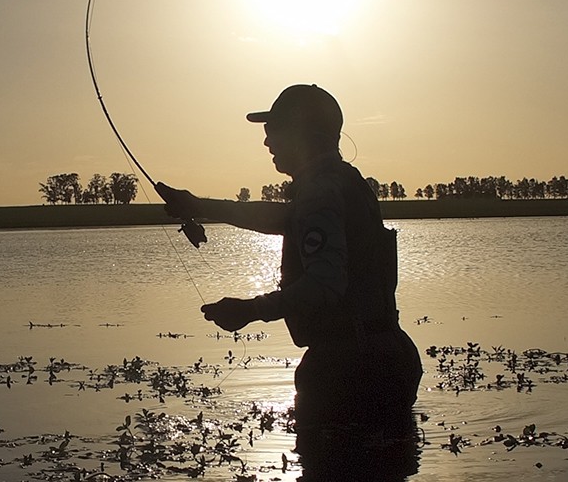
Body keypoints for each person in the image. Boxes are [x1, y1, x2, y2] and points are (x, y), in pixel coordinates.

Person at [155, 84, 422, 479]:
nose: (267, 140)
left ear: (303, 133)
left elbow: (325, 285)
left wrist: (252, 310)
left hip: (348, 368)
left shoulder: (320, 190)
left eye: (275, 128)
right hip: (387, 354)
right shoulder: (347, 182)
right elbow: (287, 220)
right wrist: (197, 206)